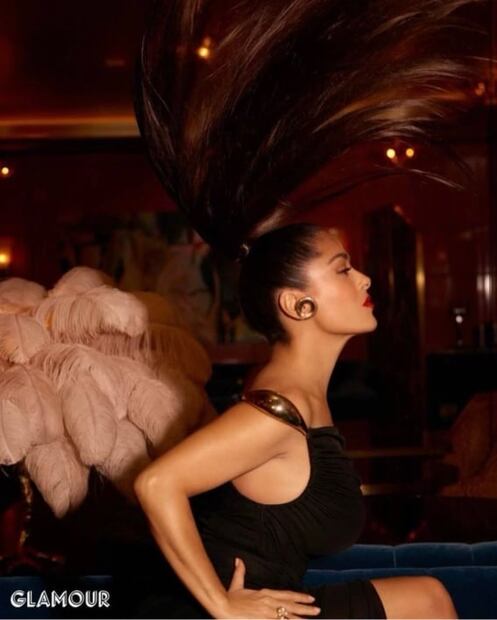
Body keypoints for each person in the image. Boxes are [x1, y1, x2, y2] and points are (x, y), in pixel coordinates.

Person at [132, 1, 481, 616]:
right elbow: (156, 482)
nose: (364, 276)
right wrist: (223, 607)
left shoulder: (298, 394)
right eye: (343, 268)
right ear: (298, 303)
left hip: (283, 600)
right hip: (251, 612)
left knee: (429, 595)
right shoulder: (276, 413)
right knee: (429, 599)